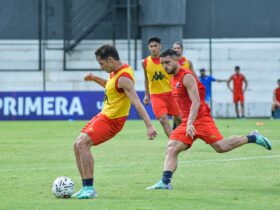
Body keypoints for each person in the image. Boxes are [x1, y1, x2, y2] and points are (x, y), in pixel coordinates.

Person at [146, 49, 272, 190]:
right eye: (162, 63)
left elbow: (196, 102)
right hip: (188, 121)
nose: (164, 66)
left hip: (201, 119)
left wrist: (189, 123)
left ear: (177, 60)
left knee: (221, 147)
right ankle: (165, 182)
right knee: (172, 148)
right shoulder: (172, 79)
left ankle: (253, 137)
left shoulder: (186, 76)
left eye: (167, 62)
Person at [73, 44, 157, 199]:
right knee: (76, 145)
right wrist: (94, 78)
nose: (101, 66)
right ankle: (85, 186)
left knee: (82, 144)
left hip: (112, 120)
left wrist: (149, 125)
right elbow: (111, 86)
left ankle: (89, 189)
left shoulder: (124, 77)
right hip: (103, 115)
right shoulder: (115, 73)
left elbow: (136, 102)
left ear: (110, 59)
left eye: (101, 63)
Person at [142, 37, 181, 137]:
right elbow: (146, 79)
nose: (153, 48)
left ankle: (183, 139)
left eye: (155, 46)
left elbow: (175, 75)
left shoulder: (167, 60)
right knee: (163, 119)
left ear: (160, 46)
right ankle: (173, 141)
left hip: (171, 93)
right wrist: (147, 95)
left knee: (179, 118)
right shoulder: (145, 62)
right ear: (149, 48)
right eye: (151, 46)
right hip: (156, 95)